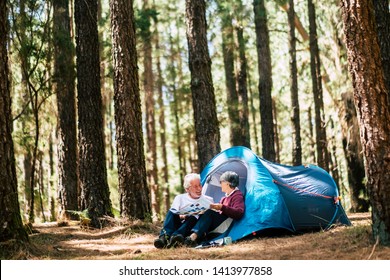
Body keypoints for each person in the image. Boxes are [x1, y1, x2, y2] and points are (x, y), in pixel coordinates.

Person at [184, 171, 245, 247]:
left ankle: (194, 236)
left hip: (227, 224)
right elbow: (220, 212)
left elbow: (239, 213)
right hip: (221, 222)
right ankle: (189, 236)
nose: (220, 184)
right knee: (202, 213)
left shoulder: (237, 195)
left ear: (227, 183)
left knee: (209, 213)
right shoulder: (224, 198)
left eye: (221, 182)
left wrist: (222, 207)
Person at [154, 173, 213, 248]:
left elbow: (210, 219)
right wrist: (183, 216)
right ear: (187, 189)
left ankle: (176, 237)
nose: (199, 188)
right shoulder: (179, 198)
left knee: (193, 217)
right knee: (171, 212)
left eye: (200, 185)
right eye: (195, 186)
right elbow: (173, 217)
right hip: (180, 225)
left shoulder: (208, 200)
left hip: (193, 229)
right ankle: (164, 238)